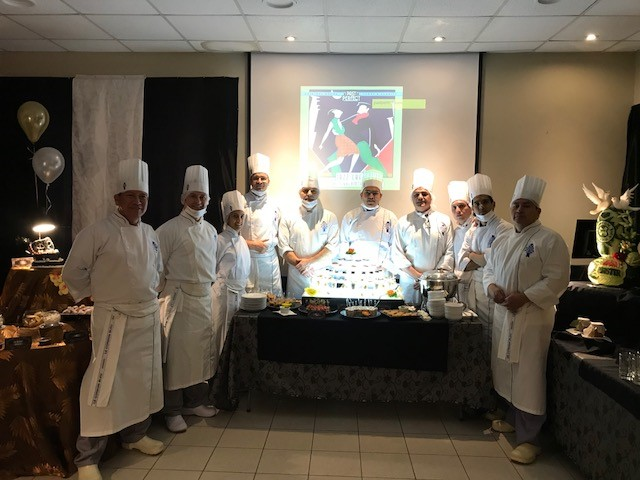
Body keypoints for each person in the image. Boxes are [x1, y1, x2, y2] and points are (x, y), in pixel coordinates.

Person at [63, 159, 164, 480]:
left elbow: (157, 271)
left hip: (146, 317)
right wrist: (92, 295)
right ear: (117, 198)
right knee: (103, 383)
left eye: (142, 197)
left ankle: (135, 435)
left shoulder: (150, 233)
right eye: (131, 195)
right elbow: (72, 271)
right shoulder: (97, 232)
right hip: (114, 318)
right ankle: (87, 458)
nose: (138, 202)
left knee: (142, 380)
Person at [483, 175, 570, 465]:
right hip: (504, 315)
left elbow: (557, 279)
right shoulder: (503, 239)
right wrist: (492, 288)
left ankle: (530, 439)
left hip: (531, 318)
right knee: (505, 368)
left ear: (538, 210)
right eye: (516, 205)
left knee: (528, 375)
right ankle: (512, 418)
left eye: (526, 205)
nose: (519, 210)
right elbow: (489, 270)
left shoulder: (550, 239)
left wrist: (526, 297)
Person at [155, 165, 219, 434]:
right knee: (177, 359)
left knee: (199, 355)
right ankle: (172, 410)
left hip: (203, 298)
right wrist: (162, 293)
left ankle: (195, 402)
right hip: (178, 299)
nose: (198, 201)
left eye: (203, 196)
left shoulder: (211, 230)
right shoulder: (168, 229)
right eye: (193, 196)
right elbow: (156, 267)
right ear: (183, 198)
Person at [456, 173, 511, 349]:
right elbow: (461, 261)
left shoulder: (504, 228)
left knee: (493, 334)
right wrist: (479, 258)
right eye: (477, 203)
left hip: (492, 287)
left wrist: (472, 255)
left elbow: (492, 261)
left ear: (494, 203)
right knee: (477, 331)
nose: (481, 206)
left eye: (485, 201)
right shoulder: (472, 229)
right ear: (472, 206)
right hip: (474, 289)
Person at [391, 168, 454, 304]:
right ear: (412, 198)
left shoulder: (444, 220)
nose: (420, 197)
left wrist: (432, 279)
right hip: (410, 282)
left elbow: (449, 252)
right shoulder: (403, 222)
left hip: (437, 283)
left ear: (431, 197)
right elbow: (397, 254)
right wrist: (418, 277)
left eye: (424, 194)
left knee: (435, 314)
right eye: (416, 194)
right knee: (408, 314)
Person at [278, 172, 339, 298]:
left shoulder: (329, 217)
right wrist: (300, 265)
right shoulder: (288, 216)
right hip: (296, 274)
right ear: (299, 192)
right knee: (295, 307)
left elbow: (332, 246)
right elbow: (283, 247)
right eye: (305, 190)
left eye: (313, 191)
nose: (309, 194)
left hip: (321, 273)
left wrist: (310, 262)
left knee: (321, 307)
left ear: (319, 193)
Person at [212, 190, 251, 358]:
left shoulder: (242, 241)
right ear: (227, 216)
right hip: (223, 295)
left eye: (242, 216)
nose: (239, 221)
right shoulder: (219, 240)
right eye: (235, 216)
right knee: (220, 335)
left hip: (240, 295)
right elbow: (211, 267)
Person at [240, 153, 282, 295]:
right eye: (255, 178)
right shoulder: (241, 201)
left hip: (269, 259)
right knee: (248, 298)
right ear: (251, 181)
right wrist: (252, 244)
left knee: (272, 299)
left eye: (263, 178)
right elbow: (230, 234)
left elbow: (280, 232)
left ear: (268, 181)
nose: (259, 181)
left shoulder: (276, 203)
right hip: (247, 258)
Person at [339, 169, 398, 268]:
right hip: (355, 268)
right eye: (367, 193)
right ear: (361, 195)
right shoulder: (350, 216)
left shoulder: (390, 217)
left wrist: (387, 265)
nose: (371, 196)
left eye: (375, 193)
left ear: (380, 196)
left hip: (382, 268)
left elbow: (395, 245)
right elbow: (343, 243)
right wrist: (348, 263)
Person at [448, 180, 474, 303]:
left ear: (470, 207)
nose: (458, 210)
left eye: (462, 206)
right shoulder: (455, 232)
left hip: (475, 283)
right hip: (458, 284)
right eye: (454, 207)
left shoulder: (478, 228)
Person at [319, 108, 360, 173]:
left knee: (356, 152)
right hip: (340, 140)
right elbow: (327, 132)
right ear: (335, 112)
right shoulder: (332, 122)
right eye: (339, 111)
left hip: (345, 139)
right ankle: (323, 170)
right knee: (339, 160)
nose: (341, 112)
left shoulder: (339, 121)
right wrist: (321, 143)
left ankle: (350, 171)